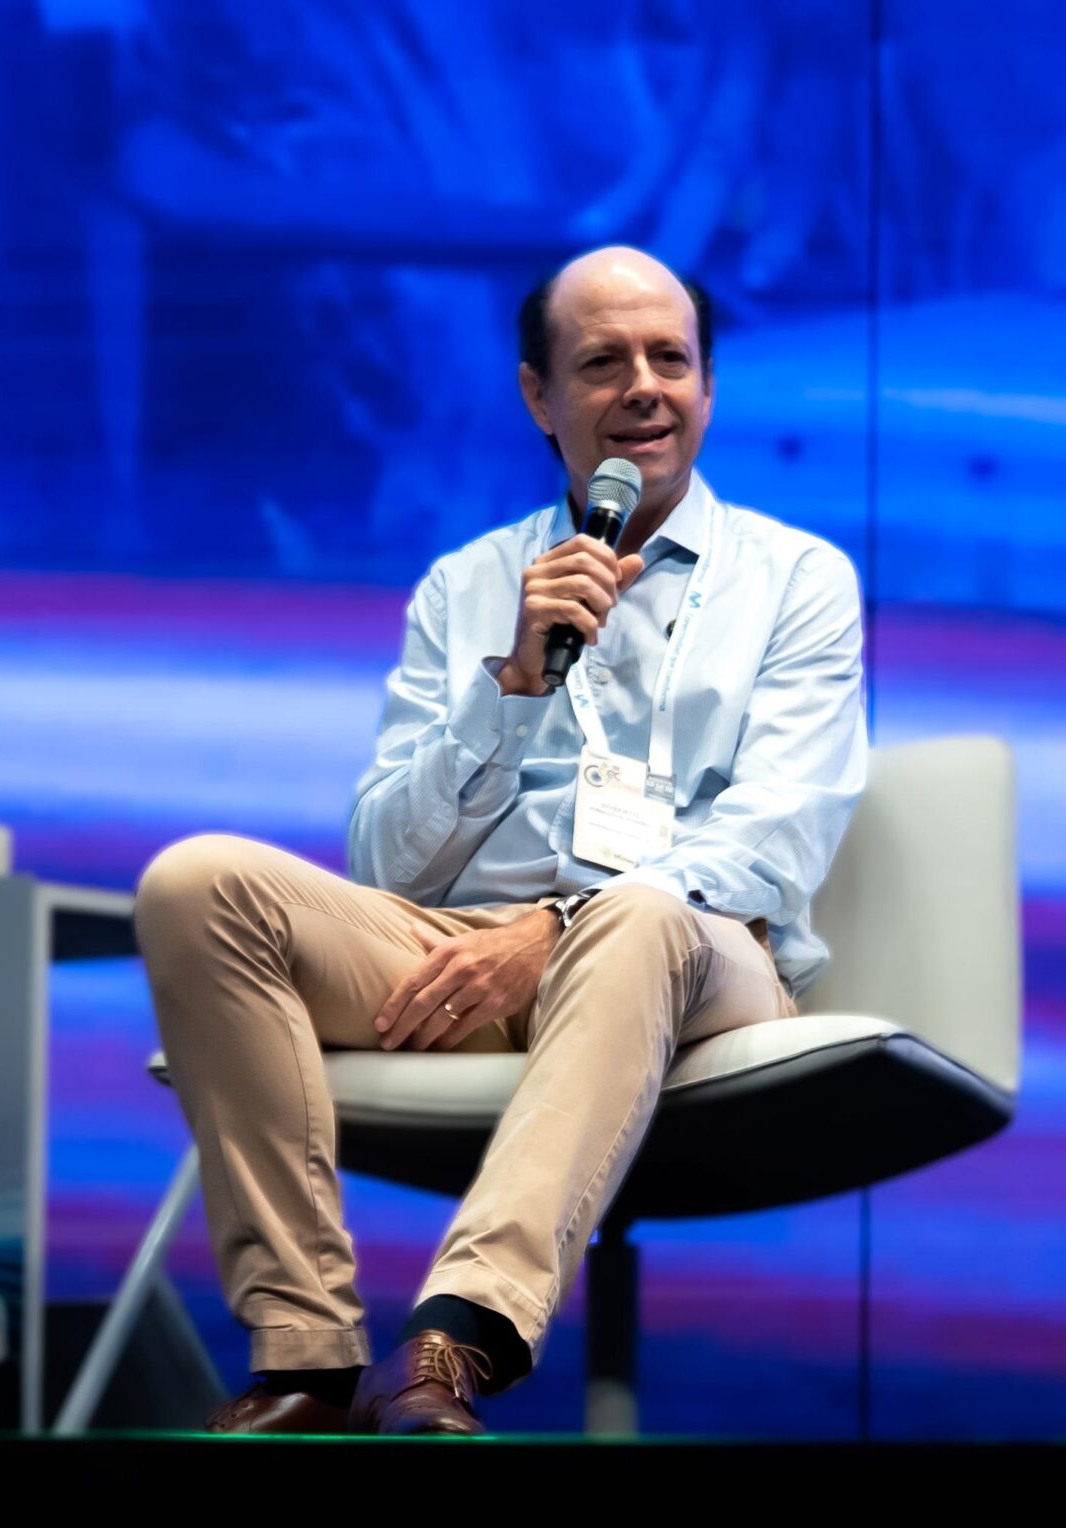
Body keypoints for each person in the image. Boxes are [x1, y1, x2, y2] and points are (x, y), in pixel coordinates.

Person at [134, 246, 867, 1434]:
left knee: (634, 910)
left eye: (669, 360)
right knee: (198, 883)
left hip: (697, 951)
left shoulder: (797, 581)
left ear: (709, 388)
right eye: (602, 362)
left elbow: (776, 837)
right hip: (462, 949)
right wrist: (511, 687)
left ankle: (456, 1340)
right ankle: (307, 1358)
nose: (642, 387)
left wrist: (557, 924)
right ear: (538, 396)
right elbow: (382, 863)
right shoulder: (467, 584)